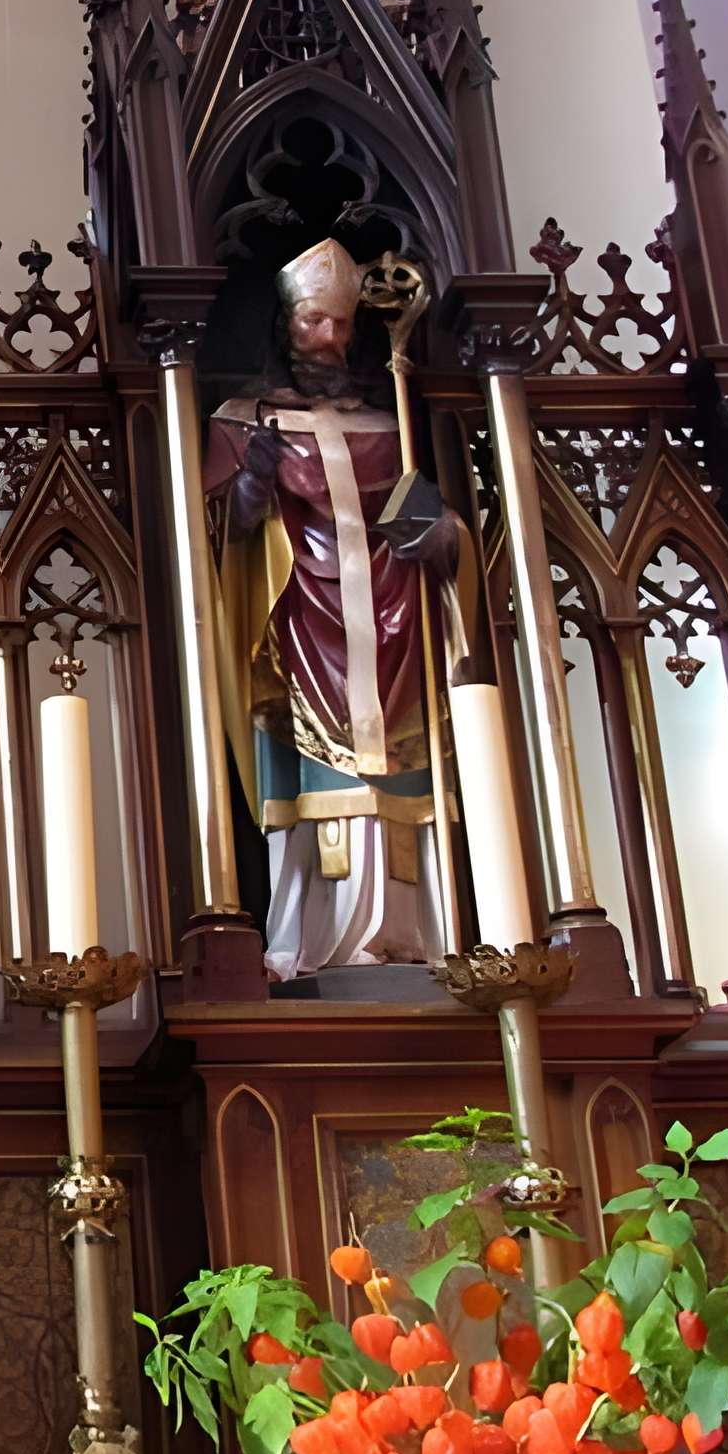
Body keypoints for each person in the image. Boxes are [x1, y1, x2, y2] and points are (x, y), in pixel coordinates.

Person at [205, 238, 459, 979]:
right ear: (287, 325)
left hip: (394, 627)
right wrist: (250, 484)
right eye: (317, 323)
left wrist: (438, 532)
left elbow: (430, 528)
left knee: (401, 781)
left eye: (344, 326)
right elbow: (218, 541)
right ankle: (306, 940)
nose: (333, 339)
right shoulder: (244, 418)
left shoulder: (390, 420)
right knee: (310, 782)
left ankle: (415, 937)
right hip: (301, 627)